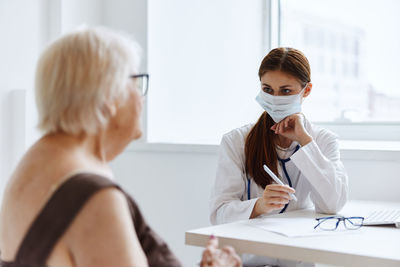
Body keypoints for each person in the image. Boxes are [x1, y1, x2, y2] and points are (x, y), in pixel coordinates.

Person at [0, 26, 241, 267]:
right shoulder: (94, 198)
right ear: (108, 97)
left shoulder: (32, 166)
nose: (141, 98)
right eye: (136, 83)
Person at [210, 47, 348, 267]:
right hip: (250, 260)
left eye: (285, 91)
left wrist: (305, 141)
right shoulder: (236, 141)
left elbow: (333, 204)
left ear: (307, 90)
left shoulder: (323, 140)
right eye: (267, 89)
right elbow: (218, 214)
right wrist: (260, 206)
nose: (275, 99)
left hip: (297, 260)